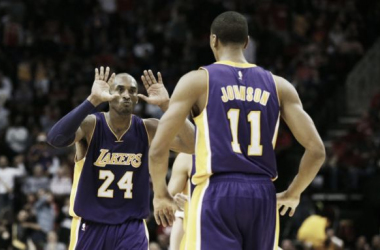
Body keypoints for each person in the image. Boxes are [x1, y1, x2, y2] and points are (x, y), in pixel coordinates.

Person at [149, 11, 325, 249]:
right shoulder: (280, 85)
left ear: (213, 40)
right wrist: (293, 193)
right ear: (246, 42)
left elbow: (159, 147)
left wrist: (160, 195)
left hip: (216, 191)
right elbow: (317, 151)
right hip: (262, 192)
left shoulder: (198, 80)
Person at [47, 67, 194, 250]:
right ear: (109, 94)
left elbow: (193, 144)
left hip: (131, 227)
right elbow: (55, 138)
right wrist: (92, 100)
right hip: (91, 224)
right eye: (120, 89)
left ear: (136, 98)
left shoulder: (147, 128)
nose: (126, 95)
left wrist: (167, 105)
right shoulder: (91, 125)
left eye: (132, 91)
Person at [168, 153, 193, 250]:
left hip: (219, 215)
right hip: (187, 217)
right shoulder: (187, 157)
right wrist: (174, 200)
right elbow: (168, 200)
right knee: (180, 214)